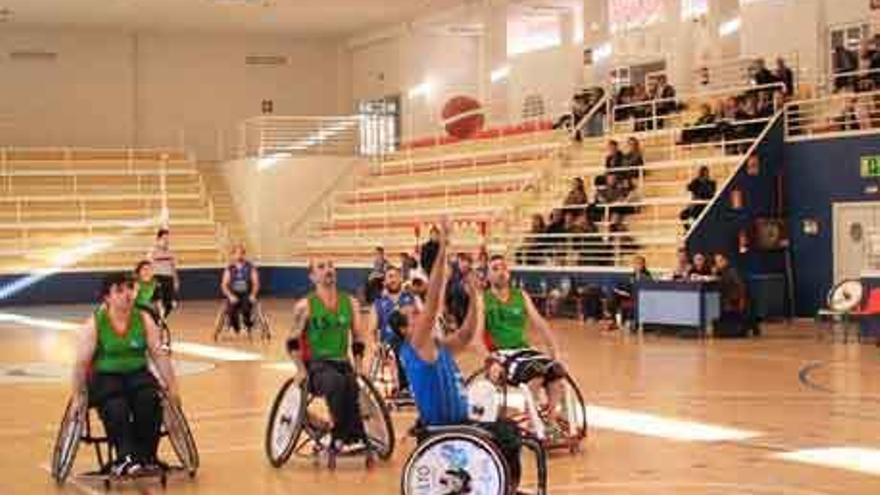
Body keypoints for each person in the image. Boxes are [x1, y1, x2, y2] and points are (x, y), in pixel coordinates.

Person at [391, 218, 525, 494]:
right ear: (405, 330)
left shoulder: (436, 345)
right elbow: (433, 299)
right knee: (507, 434)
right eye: (413, 315)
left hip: (460, 423)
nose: (419, 314)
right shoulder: (415, 346)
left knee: (510, 429)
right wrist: (443, 249)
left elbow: (464, 336)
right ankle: (506, 487)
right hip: (446, 428)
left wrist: (476, 297)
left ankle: (505, 486)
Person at [71, 272, 179, 476]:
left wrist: (173, 387)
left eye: (130, 288)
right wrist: (77, 396)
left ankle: (147, 457)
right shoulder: (94, 324)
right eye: (119, 290)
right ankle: (125, 458)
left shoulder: (144, 319)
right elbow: (80, 365)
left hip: (137, 374)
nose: (127, 294)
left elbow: (159, 355)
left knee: (149, 400)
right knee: (116, 407)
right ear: (107, 297)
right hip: (106, 378)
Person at [288, 257, 370, 453]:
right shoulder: (304, 306)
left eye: (331, 265)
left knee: (351, 383)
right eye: (321, 267)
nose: (328, 270)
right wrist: (299, 369)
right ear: (312, 276)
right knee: (337, 383)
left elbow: (358, 338)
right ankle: (343, 437)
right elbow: (291, 340)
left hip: (343, 362)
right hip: (317, 365)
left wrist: (359, 365)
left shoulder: (350, 302)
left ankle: (354, 436)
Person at [481, 254, 566, 436]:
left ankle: (551, 422)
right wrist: (490, 360)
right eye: (495, 269)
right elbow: (476, 335)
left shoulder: (521, 296)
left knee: (555, 371)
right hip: (501, 353)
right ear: (488, 275)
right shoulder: (483, 300)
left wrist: (554, 350)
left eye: (503, 268)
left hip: (524, 351)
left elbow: (540, 323)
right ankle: (532, 422)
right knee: (534, 373)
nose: (500, 272)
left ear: (509, 273)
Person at [369, 265, 420, 399]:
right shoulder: (378, 303)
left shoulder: (411, 299)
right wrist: (374, 344)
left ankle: (413, 386)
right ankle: (402, 386)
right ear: (385, 281)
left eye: (396, 276)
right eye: (390, 277)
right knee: (395, 349)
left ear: (401, 279)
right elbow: (372, 330)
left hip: (410, 340)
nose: (393, 280)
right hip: (388, 344)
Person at [220, 244, 260, 335]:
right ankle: (236, 327)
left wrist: (253, 295)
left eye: (241, 253)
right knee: (231, 310)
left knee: (246, 308)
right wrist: (230, 296)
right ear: (233, 255)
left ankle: (248, 325)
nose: (239, 255)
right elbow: (224, 285)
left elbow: (256, 283)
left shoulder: (250, 267)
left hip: (246, 294)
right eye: (237, 253)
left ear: (244, 254)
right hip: (233, 294)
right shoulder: (229, 268)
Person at [147, 229, 179, 319]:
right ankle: (155, 320)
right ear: (158, 239)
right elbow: (148, 267)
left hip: (168, 278)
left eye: (168, 239)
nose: (166, 241)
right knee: (157, 302)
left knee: (169, 304)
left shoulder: (170, 252)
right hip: (157, 278)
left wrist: (176, 280)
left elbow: (173, 267)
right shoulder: (152, 252)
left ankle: (160, 320)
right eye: (164, 239)